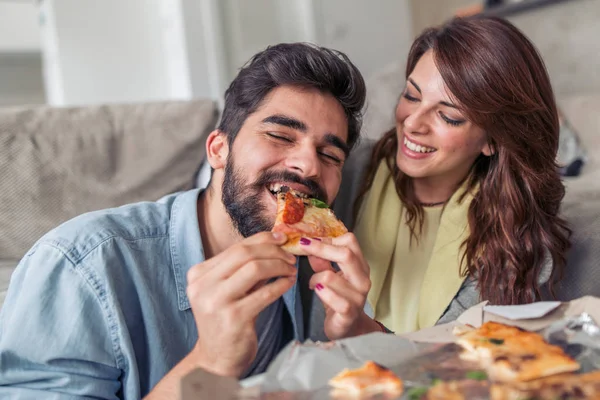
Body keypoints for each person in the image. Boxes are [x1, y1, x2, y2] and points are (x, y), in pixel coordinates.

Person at [0, 43, 385, 400]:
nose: (309, 165)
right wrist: (211, 362)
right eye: (280, 135)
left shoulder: (322, 271)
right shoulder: (81, 266)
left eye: (330, 155)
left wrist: (358, 331)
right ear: (219, 149)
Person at [333, 16, 571, 335]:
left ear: (493, 140)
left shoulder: (516, 235)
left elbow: (454, 360)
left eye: (449, 116)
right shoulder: (346, 169)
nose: (413, 122)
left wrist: (355, 326)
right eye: (411, 96)